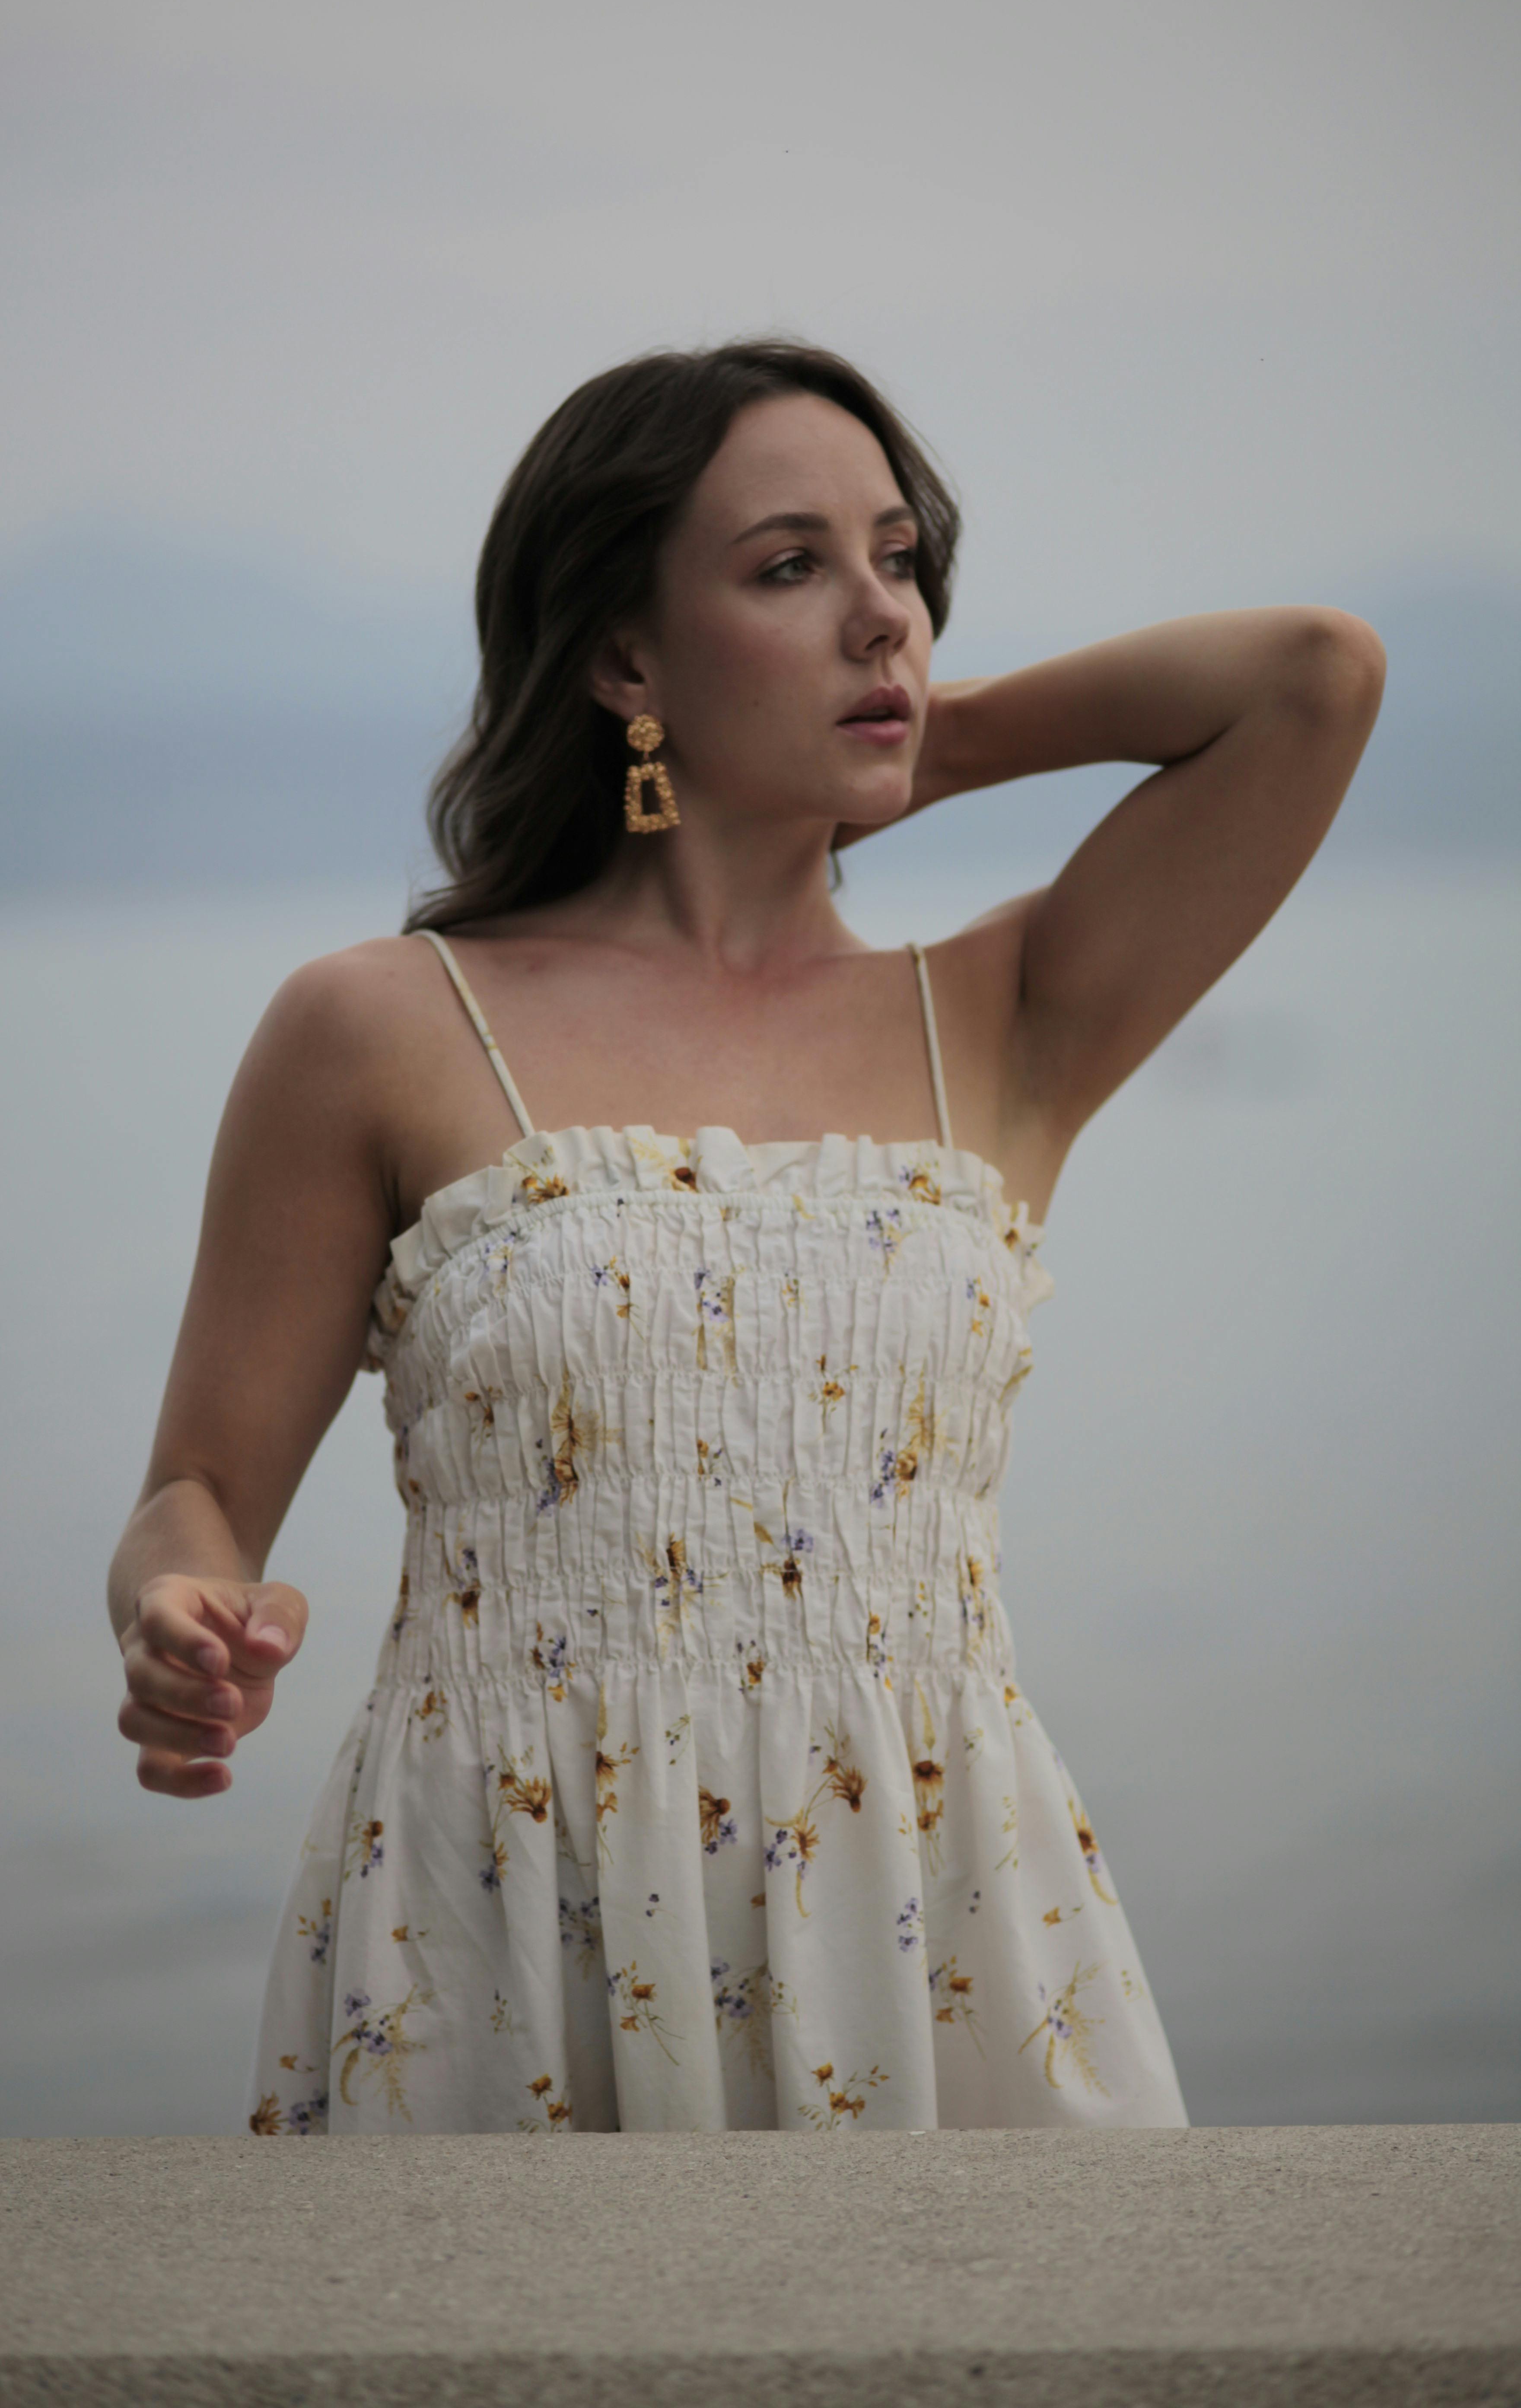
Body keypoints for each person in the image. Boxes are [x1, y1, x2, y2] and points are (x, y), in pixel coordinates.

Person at [108, 340, 1384, 2137]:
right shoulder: (382, 1027)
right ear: (625, 657)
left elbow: (1314, 682)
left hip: (936, 1916)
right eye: (791, 568)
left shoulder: (1006, 1018)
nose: (883, 619)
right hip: (501, 1911)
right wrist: (176, 1610)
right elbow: (197, 1498)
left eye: (899, 561)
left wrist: (908, 759)